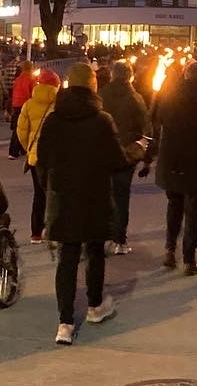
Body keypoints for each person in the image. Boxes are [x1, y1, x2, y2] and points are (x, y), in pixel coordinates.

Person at [38, 63, 130, 345]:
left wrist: (50, 189)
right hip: (94, 196)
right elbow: (117, 161)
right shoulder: (102, 120)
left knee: (67, 258)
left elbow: (42, 161)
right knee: (94, 252)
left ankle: (64, 322)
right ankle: (94, 306)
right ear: (92, 86)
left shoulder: (53, 119)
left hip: (64, 197)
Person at [149, 62, 197, 275]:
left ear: (185, 76)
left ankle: (169, 250)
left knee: (173, 205)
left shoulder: (169, 96)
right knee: (193, 210)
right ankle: (189, 259)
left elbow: (157, 120)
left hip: (172, 159)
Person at [98, 60, 149, 255]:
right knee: (121, 196)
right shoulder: (135, 98)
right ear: (130, 76)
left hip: (103, 152)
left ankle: (103, 234)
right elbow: (146, 128)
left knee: (103, 195)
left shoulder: (101, 95)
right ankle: (119, 238)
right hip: (126, 154)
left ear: (112, 75)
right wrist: (145, 154)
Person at [16, 68, 62, 243]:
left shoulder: (29, 104)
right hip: (54, 157)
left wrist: (29, 147)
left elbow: (21, 131)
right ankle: (52, 229)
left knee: (38, 194)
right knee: (54, 193)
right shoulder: (58, 105)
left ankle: (36, 232)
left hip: (35, 157)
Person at [7, 60, 36, 159]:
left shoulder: (18, 79)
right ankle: (17, 150)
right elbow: (33, 93)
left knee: (17, 128)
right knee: (25, 128)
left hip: (16, 105)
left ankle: (15, 150)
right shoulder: (31, 79)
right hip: (26, 105)